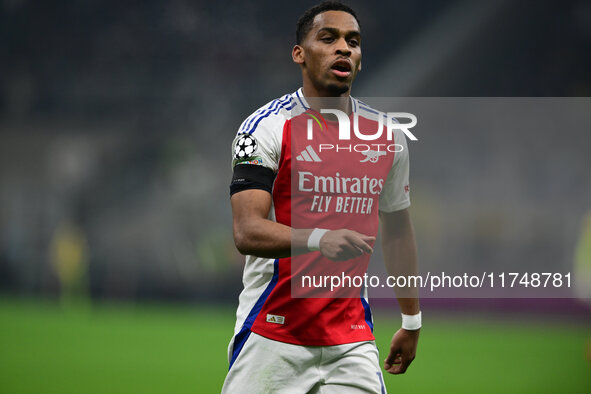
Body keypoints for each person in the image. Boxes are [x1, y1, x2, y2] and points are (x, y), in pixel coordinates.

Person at [223, 2, 420, 392]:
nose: (343, 48)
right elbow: (247, 232)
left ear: (361, 60)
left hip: (352, 343)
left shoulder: (387, 137)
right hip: (271, 335)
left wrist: (411, 320)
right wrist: (318, 239)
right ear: (300, 53)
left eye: (353, 41)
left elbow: (397, 230)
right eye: (328, 38)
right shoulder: (265, 128)